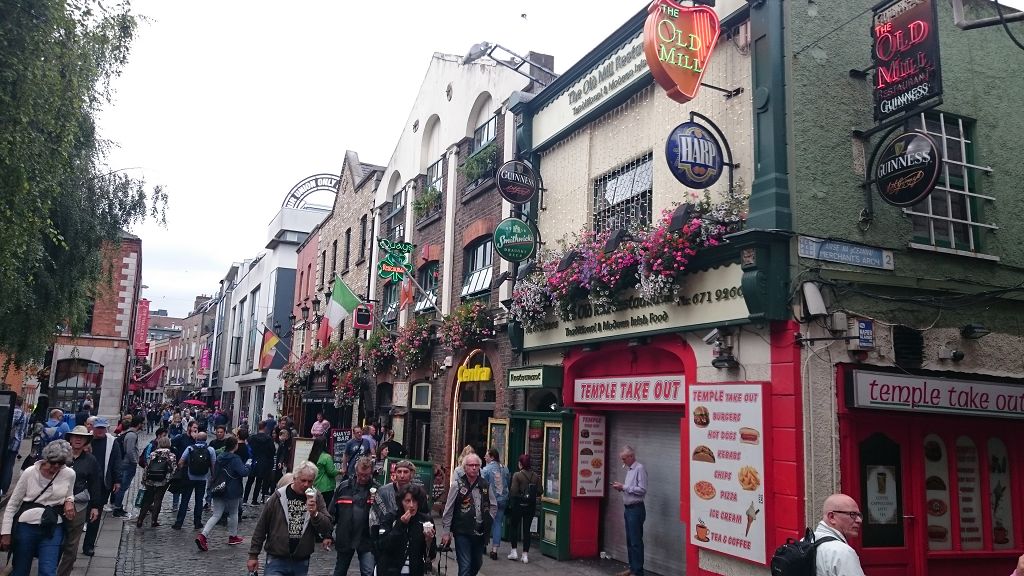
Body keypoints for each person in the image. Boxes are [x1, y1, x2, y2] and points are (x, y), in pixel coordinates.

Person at [0, 440, 76, 576]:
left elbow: (69, 493)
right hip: (26, 527)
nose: (55, 467)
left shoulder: (69, 474)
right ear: (46, 458)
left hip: (52, 526)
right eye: (53, 463)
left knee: (48, 570)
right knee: (20, 570)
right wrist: (6, 533)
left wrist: (69, 501)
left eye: (61, 464)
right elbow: (12, 505)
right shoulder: (30, 472)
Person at [247, 461, 333, 576]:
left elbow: (327, 526)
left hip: (301, 559)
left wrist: (315, 513)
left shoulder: (316, 496)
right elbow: (262, 526)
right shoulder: (279, 496)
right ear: (295, 478)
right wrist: (253, 555)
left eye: (310, 481)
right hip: (277, 557)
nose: (306, 485)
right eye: (303, 480)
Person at [440, 453, 495, 576]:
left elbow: (493, 505)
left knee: (477, 563)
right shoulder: (457, 485)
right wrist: (446, 532)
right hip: (462, 531)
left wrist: (489, 519)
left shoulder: (485, 485)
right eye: (471, 465)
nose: (474, 468)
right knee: (465, 565)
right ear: (465, 468)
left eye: (476, 465)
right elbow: (448, 510)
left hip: (479, 532)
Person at [56, 426, 101, 576]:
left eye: (81, 437)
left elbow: (95, 483)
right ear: (69, 438)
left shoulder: (90, 460)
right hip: (56, 504)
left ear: (86, 441)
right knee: (54, 542)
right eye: (75, 436)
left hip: (78, 506)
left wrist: (95, 506)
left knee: (71, 545)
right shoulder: (60, 456)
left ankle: (63, 573)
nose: (78, 439)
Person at [196, 435, 250, 551]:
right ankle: (233, 536)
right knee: (233, 512)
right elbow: (243, 472)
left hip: (218, 487)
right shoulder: (235, 459)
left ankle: (203, 535)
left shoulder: (220, 457)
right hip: (232, 488)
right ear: (235, 446)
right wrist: (248, 466)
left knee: (216, 514)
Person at [331, 457, 377, 576]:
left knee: (368, 571)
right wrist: (327, 534)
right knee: (340, 570)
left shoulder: (377, 489)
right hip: (345, 535)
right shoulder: (344, 487)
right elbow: (332, 511)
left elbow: (383, 515)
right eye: (360, 474)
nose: (362, 478)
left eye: (366, 475)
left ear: (370, 473)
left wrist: (376, 502)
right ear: (356, 472)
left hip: (367, 537)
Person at [376, 484, 436, 576]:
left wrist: (429, 541)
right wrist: (401, 524)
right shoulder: (390, 517)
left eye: (415, 501)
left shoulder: (426, 520)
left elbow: (431, 556)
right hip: (391, 570)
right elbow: (383, 546)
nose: (411, 505)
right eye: (407, 501)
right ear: (401, 502)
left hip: (414, 571)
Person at [82, 418, 120, 557]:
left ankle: (89, 546)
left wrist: (117, 480)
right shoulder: (86, 439)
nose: (100, 431)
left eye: (103, 428)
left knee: (95, 515)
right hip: (84, 483)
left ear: (106, 428)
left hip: (101, 484)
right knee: (81, 514)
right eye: (98, 428)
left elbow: (116, 461)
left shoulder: (112, 442)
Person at [611, 445, 647, 576]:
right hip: (628, 509)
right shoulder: (630, 469)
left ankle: (638, 572)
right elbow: (630, 488)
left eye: (624, 458)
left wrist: (624, 487)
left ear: (631, 456)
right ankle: (632, 568)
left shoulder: (639, 469)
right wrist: (621, 488)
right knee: (629, 540)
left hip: (636, 509)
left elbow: (642, 489)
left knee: (636, 541)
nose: (623, 461)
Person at [173, 431, 216, 530]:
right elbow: (213, 465)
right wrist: (213, 476)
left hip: (189, 477)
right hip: (202, 478)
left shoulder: (190, 448)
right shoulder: (210, 450)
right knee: (199, 501)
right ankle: (197, 523)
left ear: (197, 439)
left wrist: (185, 468)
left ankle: (179, 523)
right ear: (206, 439)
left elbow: (180, 462)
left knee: (185, 500)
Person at [815, 493, 866, 576]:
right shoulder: (842, 552)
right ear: (831, 517)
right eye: (852, 514)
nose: (859, 520)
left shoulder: (804, 542)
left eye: (859, 515)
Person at [135, 435, 176, 528]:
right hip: (162, 481)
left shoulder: (153, 454)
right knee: (158, 500)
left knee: (147, 500)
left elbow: (147, 467)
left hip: (150, 480)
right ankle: (154, 520)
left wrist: (144, 479)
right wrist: (168, 479)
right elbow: (173, 469)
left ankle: (140, 520)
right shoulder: (171, 455)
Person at [507, 453, 541, 563]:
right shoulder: (535, 476)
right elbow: (540, 491)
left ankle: (514, 552)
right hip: (530, 506)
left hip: (518, 505)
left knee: (514, 526)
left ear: (520, 464)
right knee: (527, 530)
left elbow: (513, 492)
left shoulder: (517, 475)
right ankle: (525, 555)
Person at [370, 459, 418, 530]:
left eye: (405, 472)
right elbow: (374, 517)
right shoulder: (383, 492)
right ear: (395, 473)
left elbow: (424, 516)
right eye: (399, 472)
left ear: (411, 474)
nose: (402, 476)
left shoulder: (417, 492)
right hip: (386, 533)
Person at [111, 415, 143, 518]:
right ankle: (117, 508)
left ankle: (117, 506)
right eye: (142, 423)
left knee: (123, 486)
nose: (143, 425)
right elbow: (129, 450)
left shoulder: (129, 433)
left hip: (126, 463)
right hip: (128, 464)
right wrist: (135, 461)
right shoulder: (132, 435)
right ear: (139, 424)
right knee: (123, 487)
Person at [480, 448, 510, 560]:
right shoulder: (505, 468)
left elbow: (482, 484)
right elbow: (508, 481)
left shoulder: (486, 470)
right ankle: (494, 551)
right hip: (503, 499)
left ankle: (483, 545)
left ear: (492, 457)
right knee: (498, 523)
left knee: (486, 522)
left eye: (486, 455)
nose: (484, 457)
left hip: (490, 500)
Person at [1, 395, 30, 495]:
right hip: (15, 444)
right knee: (9, 466)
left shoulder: (9, 411)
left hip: (3, 442)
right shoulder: (24, 414)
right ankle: (4, 489)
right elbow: (25, 431)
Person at [246, 420, 276, 505]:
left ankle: (245, 499)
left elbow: (248, 448)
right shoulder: (268, 439)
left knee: (250, 480)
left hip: (253, 460)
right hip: (263, 461)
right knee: (259, 481)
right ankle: (254, 500)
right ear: (265, 428)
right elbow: (272, 451)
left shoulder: (252, 438)